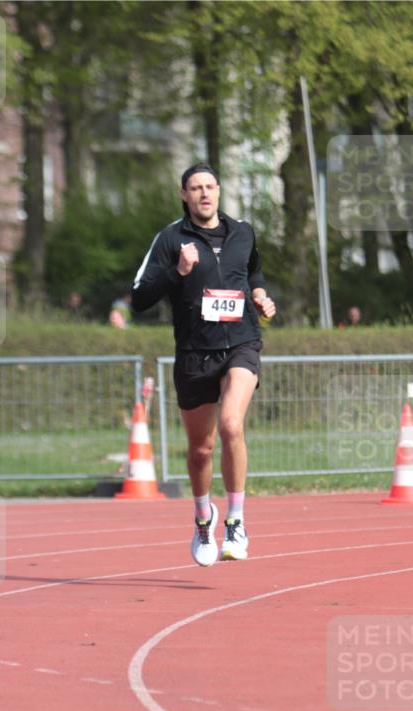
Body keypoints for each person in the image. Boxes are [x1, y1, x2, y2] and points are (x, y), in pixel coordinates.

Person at [131, 163, 275, 566]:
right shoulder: (170, 239)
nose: (204, 194)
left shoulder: (242, 232)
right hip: (195, 352)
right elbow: (139, 297)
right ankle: (202, 517)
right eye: (195, 188)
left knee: (231, 425)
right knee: (201, 449)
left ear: (219, 190)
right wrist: (177, 272)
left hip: (241, 343)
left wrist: (261, 296)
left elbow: (253, 272)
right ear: (184, 195)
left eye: (210, 186)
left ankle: (236, 521)